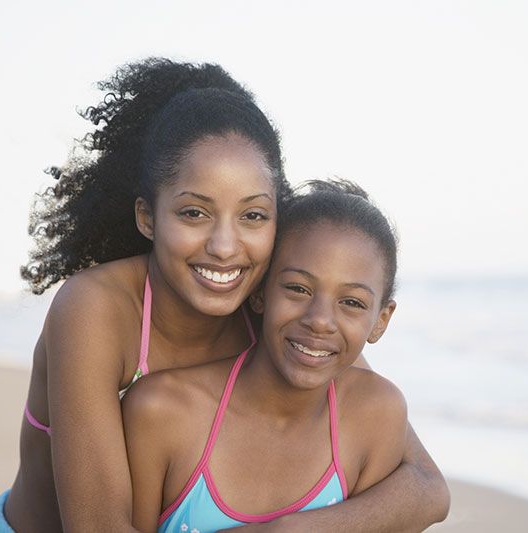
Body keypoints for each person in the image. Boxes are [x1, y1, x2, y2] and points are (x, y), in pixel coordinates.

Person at [0, 58, 449, 533]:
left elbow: (427, 487)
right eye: (193, 213)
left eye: (252, 216)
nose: (225, 248)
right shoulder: (96, 308)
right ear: (149, 217)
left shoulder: (279, 306)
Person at [124, 179, 407, 532]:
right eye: (297, 288)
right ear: (259, 293)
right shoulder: (162, 410)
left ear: (380, 320)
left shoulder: (376, 414)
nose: (319, 320)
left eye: (351, 302)